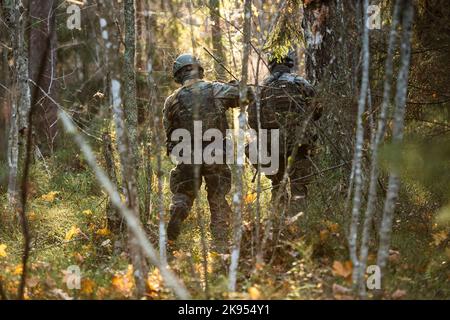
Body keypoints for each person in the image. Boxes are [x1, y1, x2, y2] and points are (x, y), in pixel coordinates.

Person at [163, 53, 252, 253]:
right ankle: (219, 243)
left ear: (178, 75)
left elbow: (168, 132)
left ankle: (178, 211)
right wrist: (237, 86)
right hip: (215, 152)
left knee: (184, 192)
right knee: (218, 195)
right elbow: (248, 96)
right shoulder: (215, 88)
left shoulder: (172, 100)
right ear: (199, 69)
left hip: (186, 153)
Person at [247, 52, 321, 214]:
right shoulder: (300, 82)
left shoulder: (261, 87)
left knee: (277, 184)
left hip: (271, 144)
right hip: (299, 142)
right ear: (289, 64)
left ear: (271, 65)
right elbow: (317, 109)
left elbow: (252, 119)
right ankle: (299, 224)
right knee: (299, 185)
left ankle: (277, 223)